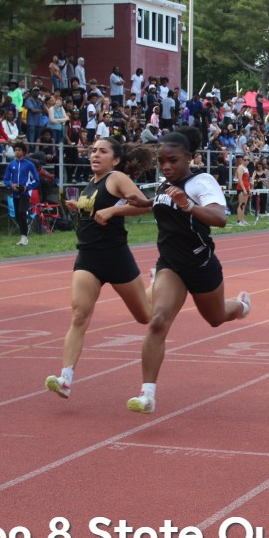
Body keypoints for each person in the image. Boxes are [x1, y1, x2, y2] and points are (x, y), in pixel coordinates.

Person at [123, 128, 252, 413]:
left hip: (200, 265)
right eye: (161, 161)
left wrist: (189, 205)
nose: (166, 166)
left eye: (173, 161)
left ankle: (240, 305)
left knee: (215, 318)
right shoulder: (164, 185)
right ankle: (147, 395)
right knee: (158, 321)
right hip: (171, 265)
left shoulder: (202, 182)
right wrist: (135, 205)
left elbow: (220, 218)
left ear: (189, 158)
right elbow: (160, 204)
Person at [45, 137, 156, 400]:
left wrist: (113, 212)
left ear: (115, 159)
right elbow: (96, 210)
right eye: (93, 150)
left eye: (102, 151)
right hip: (88, 258)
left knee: (145, 316)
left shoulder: (116, 178)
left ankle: (156, 283)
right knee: (79, 315)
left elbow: (144, 205)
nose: (95, 155)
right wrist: (79, 207)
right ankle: (65, 378)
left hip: (115, 257)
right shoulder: (91, 184)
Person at [3, 141, 39, 245]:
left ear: (23, 152)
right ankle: (23, 235)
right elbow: (6, 179)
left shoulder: (29, 165)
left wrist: (27, 187)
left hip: (25, 193)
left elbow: (36, 180)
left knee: (22, 212)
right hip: (15, 193)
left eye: (19, 150)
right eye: (15, 150)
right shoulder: (11, 165)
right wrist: (11, 185)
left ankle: (24, 237)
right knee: (17, 215)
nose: (17, 152)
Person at [235, 153, 251, 225]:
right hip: (241, 188)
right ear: (242, 160)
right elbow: (240, 179)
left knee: (244, 204)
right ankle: (239, 220)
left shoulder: (246, 168)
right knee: (241, 204)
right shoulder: (240, 167)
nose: (246, 161)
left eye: (248, 160)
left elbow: (247, 180)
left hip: (246, 187)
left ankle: (242, 219)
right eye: (245, 160)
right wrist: (243, 189)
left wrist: (249, 189)